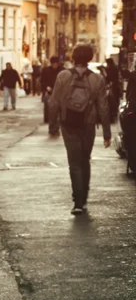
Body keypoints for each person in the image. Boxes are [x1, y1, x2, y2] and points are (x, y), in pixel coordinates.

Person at [49, 44, 111, 215]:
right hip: (88, 123)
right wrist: (107, 133)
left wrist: (52, 125)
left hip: (68, 123)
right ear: (90, 58)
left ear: (73, 57)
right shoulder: (97, 79)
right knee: (85, 160)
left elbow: (53, 103)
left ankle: (77, 202)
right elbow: (104, 108)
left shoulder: (63, 76)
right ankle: (83, 199)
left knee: (74, 163)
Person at [41, 56, 62, 130]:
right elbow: (42, 81)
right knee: (51, 109)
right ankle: (52, 126)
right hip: (50, 92)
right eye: (53, 64)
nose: (55, 65)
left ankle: (57, 125)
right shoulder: (46, 70)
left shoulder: (62, 71)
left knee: (60, 110)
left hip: (60, 93)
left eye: (56, 63)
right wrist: (46, 87)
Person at [105, 58, 121, 122]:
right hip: (116, 86)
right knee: (116, 100)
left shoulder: (109, 68)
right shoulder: (116, 67)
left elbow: (108, 78)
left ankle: (113, 114)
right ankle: (115, 112)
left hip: (112, 87)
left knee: (111, 100)